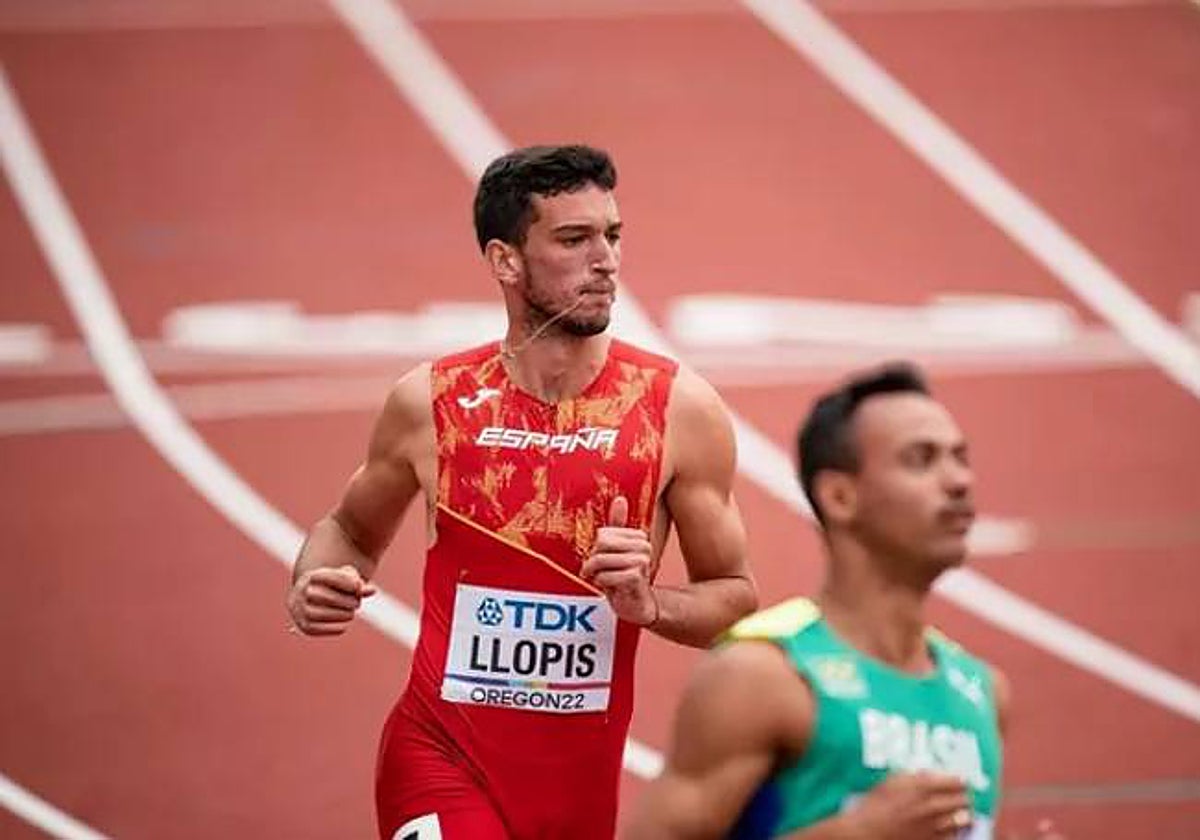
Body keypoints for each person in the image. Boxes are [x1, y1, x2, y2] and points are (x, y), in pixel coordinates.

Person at [285, 144, 757, 840]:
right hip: (438, 757)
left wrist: (651, 605)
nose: (605, 260)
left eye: (612, 235)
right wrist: (313, 582)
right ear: (506, 261)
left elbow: (736, 600)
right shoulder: (432, 401)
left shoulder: (678, 410)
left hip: (576, 791)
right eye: (574, 239)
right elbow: (350, 531)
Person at [624, 364, 1009, 839]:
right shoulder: (762, 677)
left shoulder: (983, 694)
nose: (959, 481)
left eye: (960, 457)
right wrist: (859, 832)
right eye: (920, 459)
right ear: (840, 496)